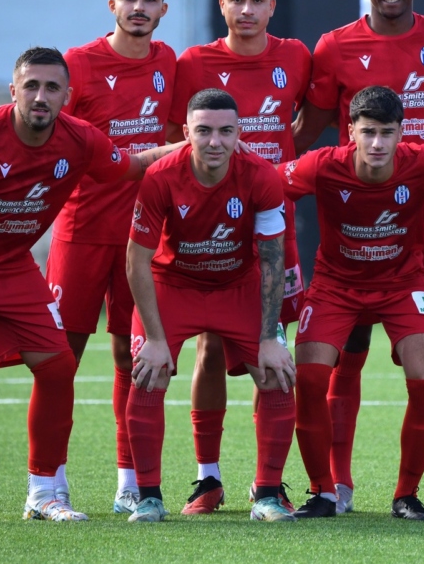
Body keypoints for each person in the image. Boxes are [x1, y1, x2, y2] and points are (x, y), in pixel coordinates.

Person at [0, 47, 180, 524]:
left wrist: (190, 144)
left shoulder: (80, 139)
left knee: (57, 367)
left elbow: (132, 165)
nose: (41, 96)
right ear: (14, 91)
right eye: (31, 86)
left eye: (52, 88)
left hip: (10, 265)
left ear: (67, 96)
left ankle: (44, 494)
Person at [292, 0, 424, 514]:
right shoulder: (335, 46)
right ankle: (337, 485)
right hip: (356, 225)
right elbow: (311, 126)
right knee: (348, 356)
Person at [282, 86, 424, 521]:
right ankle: (323, 492)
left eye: (387, 133)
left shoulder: (420, 160)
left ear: (402, 133)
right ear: (351, 132)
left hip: (402, 285)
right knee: (309, 379)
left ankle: (406, 495)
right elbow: (263, 181)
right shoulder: (323, 165)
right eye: (368, 132)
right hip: (335, 286)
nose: (377, 143)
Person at [167, 0, 311, 514]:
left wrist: (274, 174)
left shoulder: (296, 56)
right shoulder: (194, 63)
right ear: (221, 4)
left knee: (271, 347)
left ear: (272, 6)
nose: (247, 10)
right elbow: (178, 137)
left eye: (257, 0)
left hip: (274, 222)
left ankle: (267, 482)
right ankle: (208, 477)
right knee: (209, 345)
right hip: (211, 226)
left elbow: (309, 121)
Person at [123, 88, 298, 523]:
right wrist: (155, 339)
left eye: (225, 131)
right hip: (174, 284)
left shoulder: (261, 176)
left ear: (239, 134)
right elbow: (137, 261)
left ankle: (267, 495)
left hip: (238, 285)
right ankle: (148, 498)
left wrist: (269, 338)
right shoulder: (161, 176)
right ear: (186, 132)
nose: (215, 141)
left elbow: (272, 260)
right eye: (203, 131)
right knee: (148, 373)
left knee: (277, 375)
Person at [44, 0, 177, 514]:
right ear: (112, 4)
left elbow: (177, 134)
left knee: (133, 356)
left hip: (142, 239)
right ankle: (48, 483)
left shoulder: (168, 62)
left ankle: (130, 482)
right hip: (81, 233)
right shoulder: (77, 64)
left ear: (163, 8)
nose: (138, 7)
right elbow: (52, 139)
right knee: (60, 360)